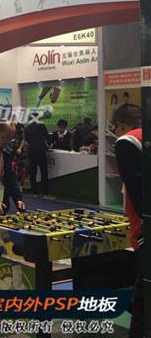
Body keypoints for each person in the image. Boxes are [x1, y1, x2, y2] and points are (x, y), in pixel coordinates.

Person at [112, 104, 143, 338]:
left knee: (142, 301)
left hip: (144, 229)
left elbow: (137, 189)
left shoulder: (127, 141)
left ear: (120, 125)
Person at [25, 112, 51, 197]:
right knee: (44, 171)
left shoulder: (27, 128)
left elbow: (27, 139)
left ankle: (34, 191)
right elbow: (47, 136)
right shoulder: (41, 125)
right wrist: (49, 144)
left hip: (31, 151)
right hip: (40, 150)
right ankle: (45, 191)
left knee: (33, 172)